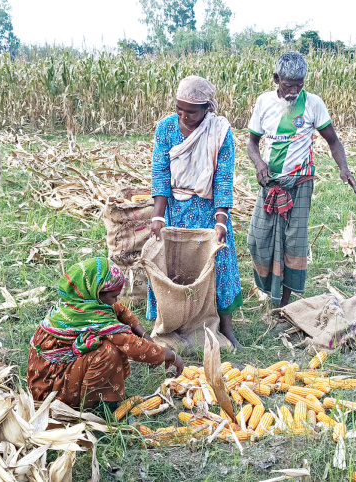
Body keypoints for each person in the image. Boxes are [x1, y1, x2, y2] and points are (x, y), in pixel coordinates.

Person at [246, 52, 356, 307]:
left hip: (299, 183)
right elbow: (252, 143)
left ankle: (284, 303)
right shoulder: (264, 102)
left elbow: (333, 140)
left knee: (293, 244)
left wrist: (344, 168)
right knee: (256, 240)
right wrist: (259, 163)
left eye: (300, 85)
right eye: (288, 85)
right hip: (270, 184)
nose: (294, 91)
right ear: (276, 79)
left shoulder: (313, 103)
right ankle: (268, 289)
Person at [148, 75, 244, 350]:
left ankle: (225, 327)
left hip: (207, 209)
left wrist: (221, 220)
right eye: (179, 109)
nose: (184, 116)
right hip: (176, 209)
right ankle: (170, 324)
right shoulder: (165, 129)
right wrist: (158, 216)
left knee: (220, 262)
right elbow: (160, 173)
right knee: (173, 268)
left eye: (191, 111)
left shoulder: (220, 133)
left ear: (207, 109)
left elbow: (223, 178)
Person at [28, 257, 183, 411]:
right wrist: (170, 355)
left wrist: (147, 338)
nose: (116, 300)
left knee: (107, 344)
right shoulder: (92, 318)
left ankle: (95, 396)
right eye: (113, 296)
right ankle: (93, 408)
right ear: (95, 291)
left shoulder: (78, 302)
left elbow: (120, 310)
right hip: (50, 391)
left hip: (52, 376)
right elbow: (131, 345)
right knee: (108, 351)